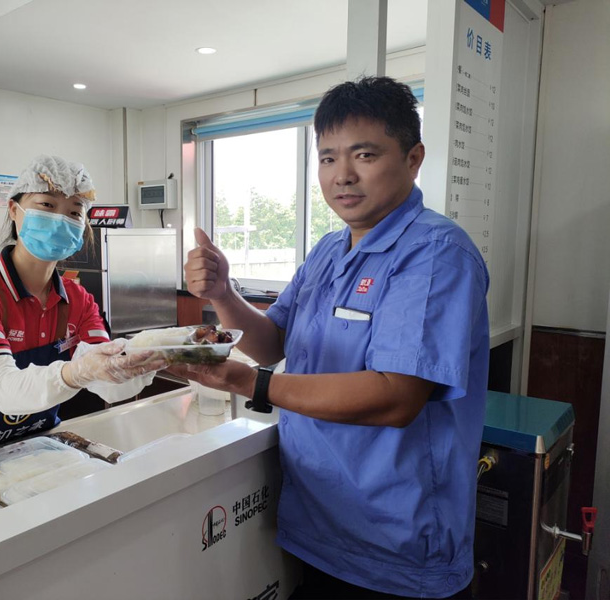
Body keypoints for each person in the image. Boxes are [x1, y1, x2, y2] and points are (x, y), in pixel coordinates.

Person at [174, 77, 489, 599]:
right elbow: (275, 341)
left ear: (413, 159)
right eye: (327, 158)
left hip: (396, 547)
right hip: (319, 524)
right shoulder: (327, 251)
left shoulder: (435, 254)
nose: (342, 174)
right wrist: (224, 294)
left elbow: (396, 396)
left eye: (365, 155)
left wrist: (252, 384)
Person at [0, 155, 165, 466]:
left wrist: (149, 362)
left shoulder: (77, 299)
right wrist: (76, 372)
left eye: (74, 212)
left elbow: (108, 386)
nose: (60, 220)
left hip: (28, 447)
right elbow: (1, 387)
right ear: (14, 210)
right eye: (47, 205)